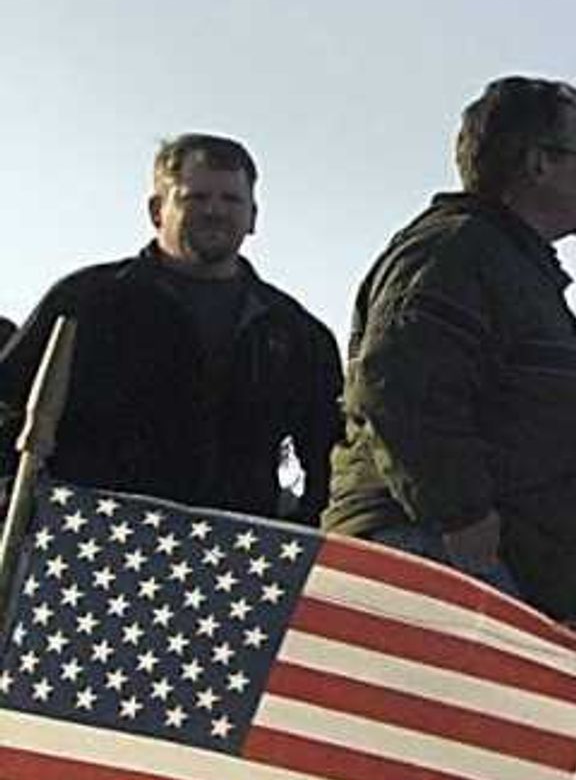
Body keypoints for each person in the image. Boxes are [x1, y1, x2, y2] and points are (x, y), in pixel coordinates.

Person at [322, 78, 576, 623]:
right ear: (537, 162)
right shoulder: (457, 252)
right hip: (434, 553)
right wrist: (462, 518)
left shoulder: (511, 268)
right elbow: (396, 381)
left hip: (482, 555)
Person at [0, 133, 342, 521]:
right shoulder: (86, 302)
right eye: (195, 198)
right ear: (157, 209)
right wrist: (17, 499)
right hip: (89, 546)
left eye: (231, 200)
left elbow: (329, 455)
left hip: (232, 559)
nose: (214, 211)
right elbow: (7, 403)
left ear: (253, 217)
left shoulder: (293, 334)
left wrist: (305, 532)